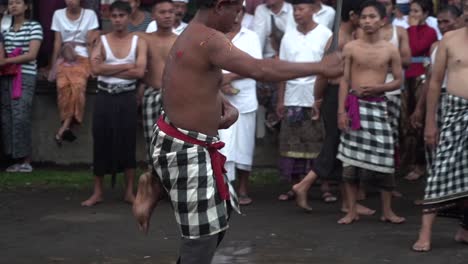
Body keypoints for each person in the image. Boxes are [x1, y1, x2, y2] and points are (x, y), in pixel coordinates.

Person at [131, 0, 342, 262]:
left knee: (221, 208)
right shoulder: (207, 39)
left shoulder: (194, 34)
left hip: (182, 142)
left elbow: (195, 78)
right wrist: (320, 67)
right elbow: (260, 69)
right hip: (184, 147)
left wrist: (222, 103)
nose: (237, 19)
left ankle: (159, 185)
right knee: (202, 237)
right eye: (235, 11)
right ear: (220, 6)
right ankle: (157, 186)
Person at [293, 0, 377, 213]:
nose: (365, 19)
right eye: (362, 15)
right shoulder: (339, 39)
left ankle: (347, 203)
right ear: (353, 15)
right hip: (335, 98)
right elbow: (324, 72)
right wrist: (318, 99)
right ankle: (304, 184)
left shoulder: (350, 37)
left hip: (346, 97)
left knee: (343, 148)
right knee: (334, 145)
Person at [336, 0, 404, 225]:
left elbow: (399, 79)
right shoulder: (351, 47)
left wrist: (380, 88)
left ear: (382, 20)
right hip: (354, 107)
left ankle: (387, 211)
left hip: (379, 106)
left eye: (372, 16)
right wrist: (341, 111)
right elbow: (344, 80)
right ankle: (352, 210)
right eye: (364, 17)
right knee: (350, 163)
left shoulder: (390, 49)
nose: (367, 21)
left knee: (386, 160)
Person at [412, 0, 468, 251]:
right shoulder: (450, 40)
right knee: (440, 172)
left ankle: (464, 230)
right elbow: (434, 83)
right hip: (454, 111)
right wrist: (430, 123)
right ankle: (425, 233)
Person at [81, 1, 147, 207]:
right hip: (104, 96)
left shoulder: (139, 41)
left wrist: (110, 67)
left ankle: (129, 191)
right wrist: (127, 65)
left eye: (121, 15)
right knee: (101, 141)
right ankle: (98, 192)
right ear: (110, 18)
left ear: (129, 17)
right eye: (114, 16)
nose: (118, 19)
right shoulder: (101, 40)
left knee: (127, 142)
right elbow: (95, 69)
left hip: (127, 97)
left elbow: (140, 72)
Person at [276, 0, 332, 202]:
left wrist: (322, 97)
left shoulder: (325, 34)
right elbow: (281, 69)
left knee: (320, 141)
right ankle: (296, 185)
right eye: (295, 10)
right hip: (292, 96)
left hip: (316, 97)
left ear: (312, 10)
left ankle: (325, 186)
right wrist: (280, 100)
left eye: (301, 9)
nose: (297, 13)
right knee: (293, 143)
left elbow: (328, 68)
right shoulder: (288, 37)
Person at [218, 6, 262, 206]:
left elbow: (254, 65)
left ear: (244, 14)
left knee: (244, 144)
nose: (235, 15)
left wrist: (228, 77)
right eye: (232, 11)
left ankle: (243, 187)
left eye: (239, 12)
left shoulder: (251, 36)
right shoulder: (215, 36)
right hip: (218, 97)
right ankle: (224, 187)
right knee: (222, 143)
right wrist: (221, 81)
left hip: (244, 97)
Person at [0, 0, 43, 173]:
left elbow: (31, 55)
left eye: (18, 2)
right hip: (5, 75)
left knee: (20, 115)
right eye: (11, 3)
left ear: (27, 6)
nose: (14, 6)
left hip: (25, 75)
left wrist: (6, 61)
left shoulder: (34, 26)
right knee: (7, 116)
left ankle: (26, 159)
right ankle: (14, 158)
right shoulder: (5, 28)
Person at [49, 0, 99, 145]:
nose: (71, 1)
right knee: (62, 86)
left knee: (78, 86)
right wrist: (53, 66)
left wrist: (93, 65)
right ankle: (67, 125)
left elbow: (90, 43)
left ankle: (64, 126)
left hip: (82, 57)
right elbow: (57, 42)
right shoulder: (58, 14)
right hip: (64, 57)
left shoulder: (90, 15)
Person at [136, 0, 177, 171]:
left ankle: (174, 185)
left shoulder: (181, 40)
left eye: (170, 11)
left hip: (176, 97)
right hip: (151, 94)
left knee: (175, 143)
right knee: (152, 141)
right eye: (162, 12)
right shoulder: (143, 38)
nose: (167, 15)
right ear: (153, 16)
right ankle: (153, 184)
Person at [400, 0, 438, 181]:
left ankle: (420, 163)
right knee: (406, 120)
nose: (412, 15)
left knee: (419, 120)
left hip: (421, 77)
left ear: (425, 14)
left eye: (416, 11)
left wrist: (413, 28)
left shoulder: (430, 32)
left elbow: (416, 48)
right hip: (406, 77)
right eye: (411, 11)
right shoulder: (405, 31)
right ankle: (407, 160)